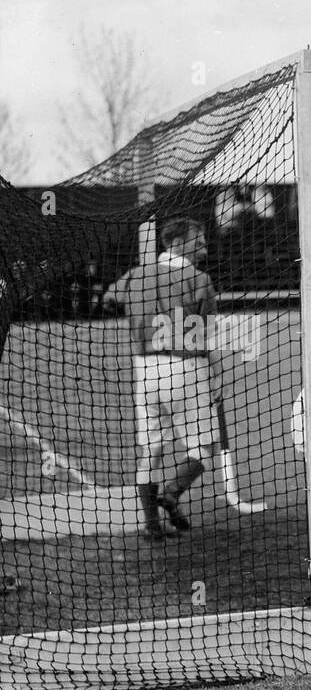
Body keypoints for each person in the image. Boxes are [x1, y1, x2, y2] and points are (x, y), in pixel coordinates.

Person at [101, 215, 224, 541]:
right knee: (205, 446)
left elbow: (108, 299)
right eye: (198, 238)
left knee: (150, 451)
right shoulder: (199, 279)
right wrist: (217, 374)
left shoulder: (134, 276)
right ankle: (171, 494)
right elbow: (207, 335)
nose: (203, 244)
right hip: (187, 369)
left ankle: (152, 526)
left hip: (144, 371)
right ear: (178, 242)